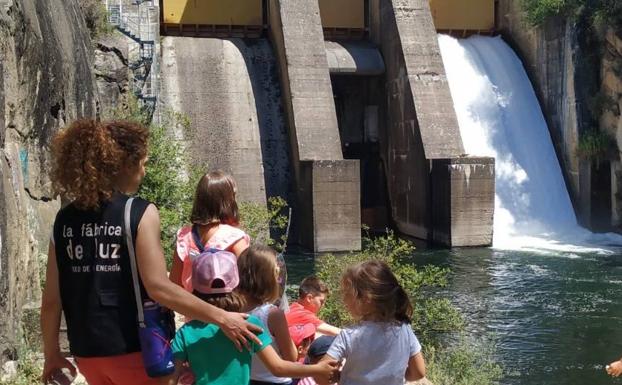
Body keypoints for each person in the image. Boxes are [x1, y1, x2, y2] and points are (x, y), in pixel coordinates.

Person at [40, 120, 262, 385]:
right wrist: (224, 318)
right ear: (124, 164)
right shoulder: (138, 212)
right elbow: (159, 287)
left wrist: (51, 353)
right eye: (143, 163)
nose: (144, 172)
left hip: (87, 351)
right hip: (136, 349)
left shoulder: (63, 220)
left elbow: (52, 300)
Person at [162, 249, 339, 385]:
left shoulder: (185, 333)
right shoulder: (246, 324)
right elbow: (278, 368)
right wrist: (317, 369)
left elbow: (170, 380)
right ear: (235, 281)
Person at [316, 260, 426, 385]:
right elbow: (418, 372)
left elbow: (320, 376)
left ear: (366, 298)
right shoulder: (404, 329)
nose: (343, 299)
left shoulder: (349, 335)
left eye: (347, 293)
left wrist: (338, 376)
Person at [170, 170, 250, 293]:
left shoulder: (184, 237)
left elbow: (175, 283)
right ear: (228, 202)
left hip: (193, 308)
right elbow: (248, 281)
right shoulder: (235, 238)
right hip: (225, 309)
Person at [237, 245, 298, 385]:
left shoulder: (230, 311)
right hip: (275, 381)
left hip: (245, 379)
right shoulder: (272, 314)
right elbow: (291, 357)